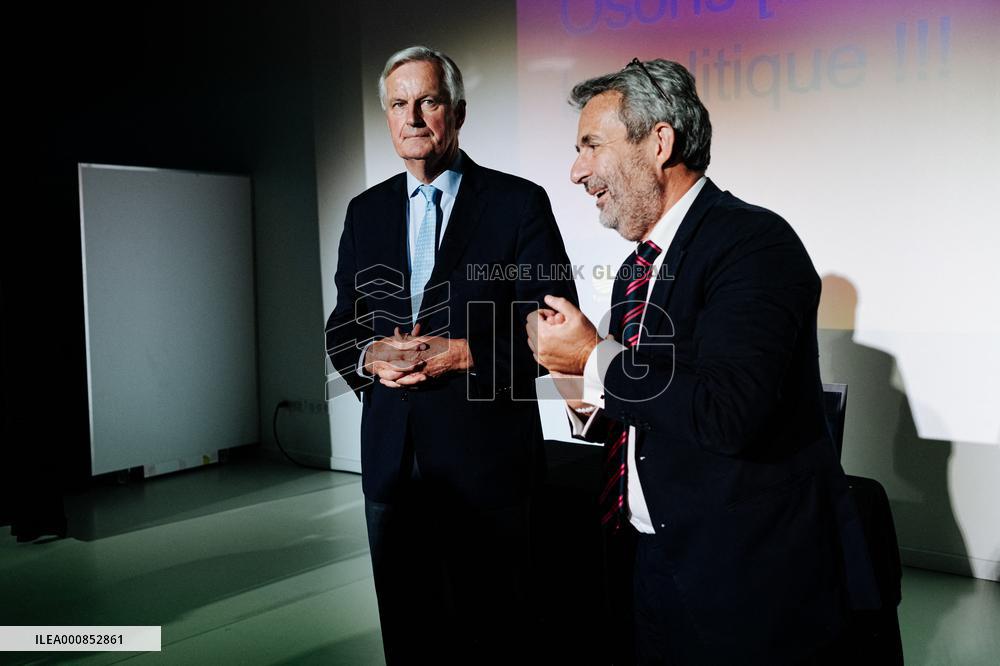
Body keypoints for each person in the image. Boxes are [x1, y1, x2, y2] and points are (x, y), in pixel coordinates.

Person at [526, 59, 880, 665]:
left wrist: (593, 354)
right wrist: (582, 391)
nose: (576, 170)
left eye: (591, 145)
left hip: (744, 581)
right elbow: (654, 406)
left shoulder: (754, 245)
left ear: (659, 142)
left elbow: (725, 413)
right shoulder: (639, 267)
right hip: (652, 561)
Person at [325, 45, 577, 664]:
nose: (412, 117)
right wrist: (370, 357)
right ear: (387, 117)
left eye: (427, 102)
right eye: (398, 104)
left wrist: (465, 353)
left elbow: (553, 329)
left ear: (457, 113)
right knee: (409, 636)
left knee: (495, 635)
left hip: (486, 466)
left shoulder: (519, 203)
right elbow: (342, 325)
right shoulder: (366, 212)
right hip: (392, 462)